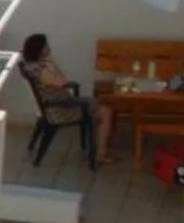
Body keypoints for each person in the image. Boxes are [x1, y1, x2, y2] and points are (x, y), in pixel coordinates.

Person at [19, 33, 114, 166]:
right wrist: (52, 63)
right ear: (42, 50)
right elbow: (61, 82)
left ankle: (98, 149)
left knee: (100, 103)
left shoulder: (32, 66)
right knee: (105, 111)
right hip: (60, 109)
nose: (49, 48)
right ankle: (100, 153)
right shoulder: (43, 69)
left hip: (58, 104)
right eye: (47, 46)